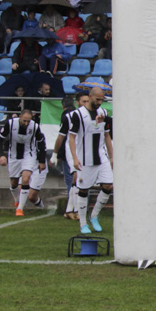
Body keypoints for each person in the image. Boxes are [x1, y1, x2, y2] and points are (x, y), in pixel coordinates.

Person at [67, 87, 115, 234]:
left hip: (102, 157)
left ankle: (94, 215)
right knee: (83, 190)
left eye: (102, 100)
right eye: (97, 99)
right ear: (90, 96)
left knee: (109, 185)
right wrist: (75, 158)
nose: (100, 102)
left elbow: (107, 135)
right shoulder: (77, 115)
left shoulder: (104, 113)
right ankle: (83, 223)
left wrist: (112, 156)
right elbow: (72, 137)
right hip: (85, 159)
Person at [0, 109, 47, 217]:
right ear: (20, 117)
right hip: (14, 156)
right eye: (24, 121)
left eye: (28, 121)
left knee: (25, 179)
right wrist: (1, 154)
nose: (26, 123)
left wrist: (42, 160)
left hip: (29, 155)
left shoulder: (34, 126)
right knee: (14, 183)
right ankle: (17, 199)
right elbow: (0, 138)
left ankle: (20, 209)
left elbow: (41, 143)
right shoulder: (10, 124)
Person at [52, 93, 89, 221]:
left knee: (77, 179)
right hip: (72, 150)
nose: (85, 104)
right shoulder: (69, 117)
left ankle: (69, 210)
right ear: (77, 102)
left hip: (84, 150)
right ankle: (78, 210)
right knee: (78, 178)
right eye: (83, 101)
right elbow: (61, 136)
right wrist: (55, 154)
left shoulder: (90, 116)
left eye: (87, 101)